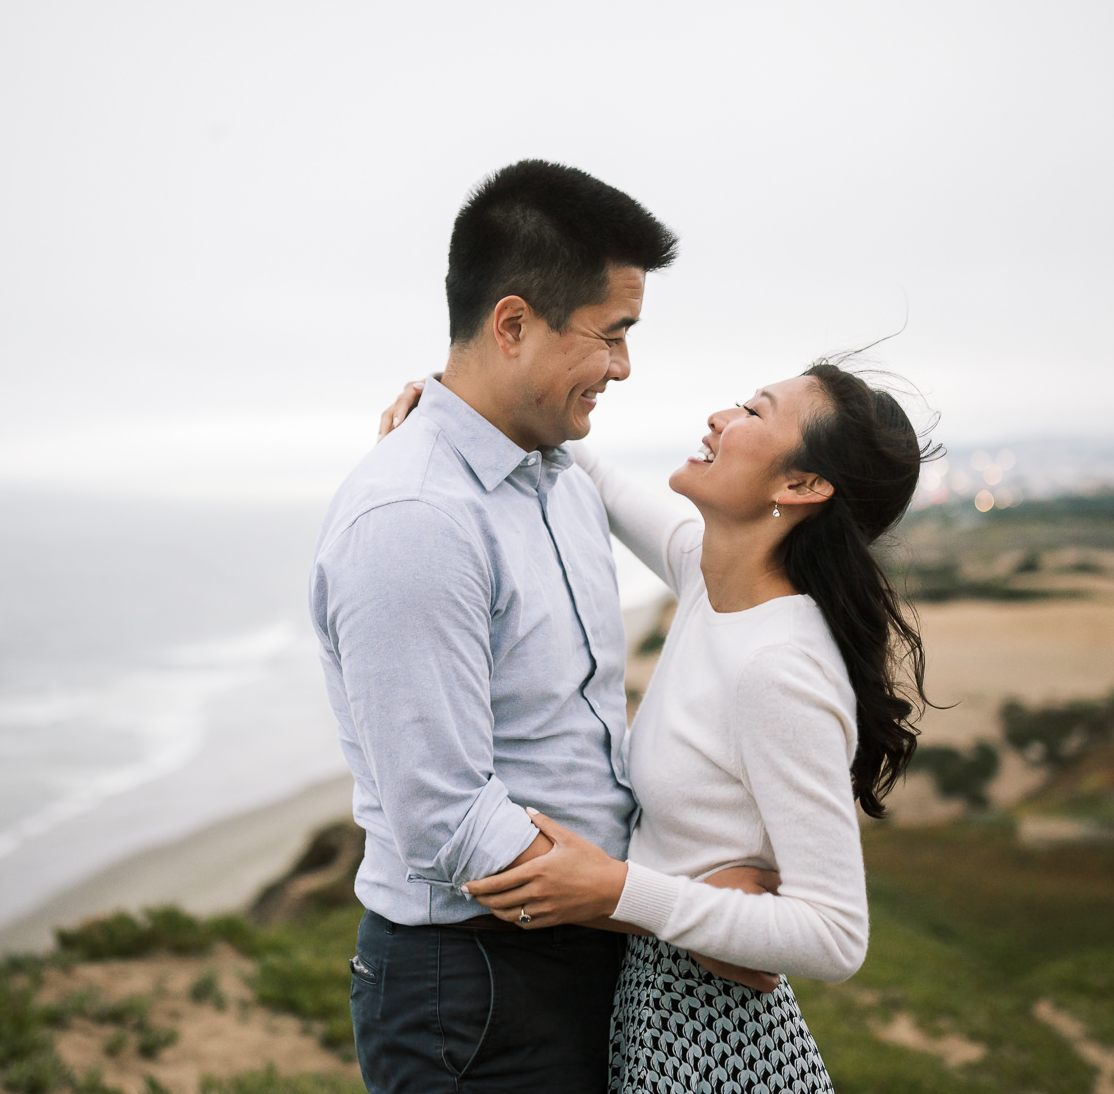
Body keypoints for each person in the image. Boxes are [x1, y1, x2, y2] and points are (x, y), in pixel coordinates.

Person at [383, 361, 931, 1093]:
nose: (718, 417)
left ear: (800, 487)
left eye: (754, 414)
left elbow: (835, 936)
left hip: (716, 1038)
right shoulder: (711, 581)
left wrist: (618, 891)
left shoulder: (777, 668)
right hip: (658, 1003)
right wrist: (452, 397)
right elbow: (597, 477)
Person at [310, 158, 679, 1094]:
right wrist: (669, 912)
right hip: (471, 992)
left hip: (582, 953)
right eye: (612, 334)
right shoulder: (414, 519)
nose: (624, 367)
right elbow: (444, 820)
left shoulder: (555, 472)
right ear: (513, 323)